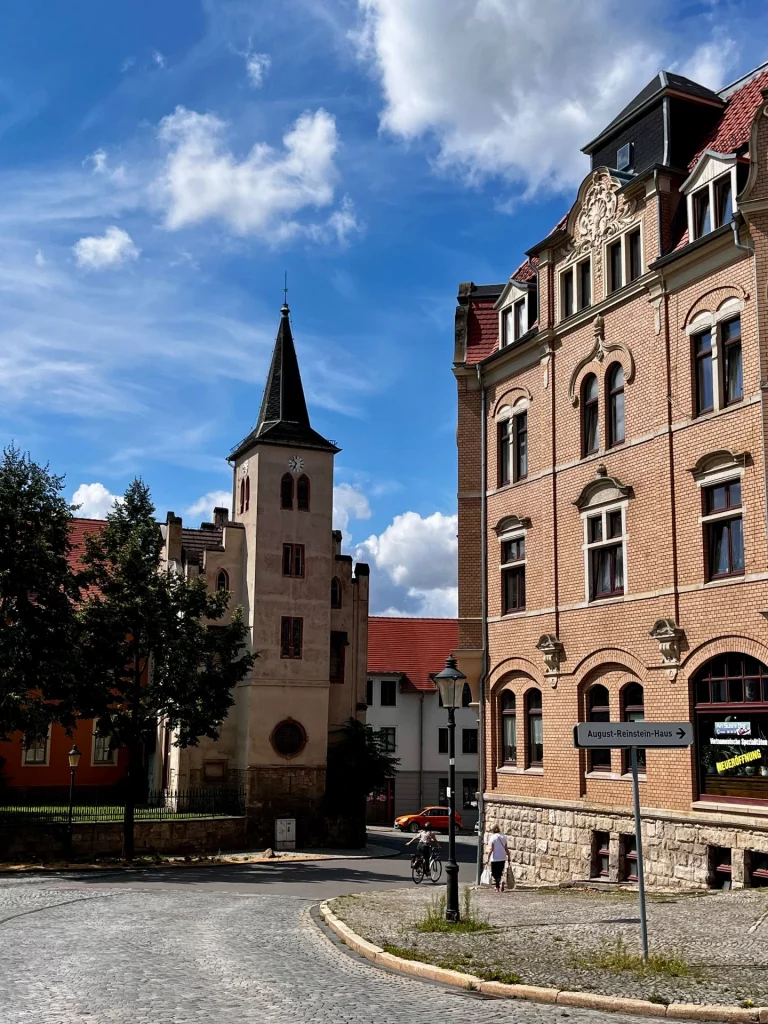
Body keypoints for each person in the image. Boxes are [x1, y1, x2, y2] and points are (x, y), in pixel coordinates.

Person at [486, 824, 511, 892]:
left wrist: (488, 858)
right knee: (499, 872)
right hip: (502, 857)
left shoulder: (493, 837)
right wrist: (509, 857)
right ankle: (499, 884)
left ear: (493, 830)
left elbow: (491, 849)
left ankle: (498, 886)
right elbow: (506, 848)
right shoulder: (503, 837)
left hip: (495, 858)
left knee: (494, 873)